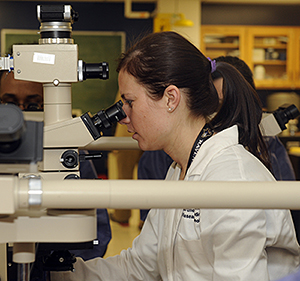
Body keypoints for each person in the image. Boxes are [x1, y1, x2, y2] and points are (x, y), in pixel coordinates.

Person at [51, 31, 300, 281]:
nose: (123, 116)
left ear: (171, 98)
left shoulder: (231, 181)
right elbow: (138, 266)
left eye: (130, 102)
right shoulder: (179, 170)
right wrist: (57, 276)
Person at [138, 55, 296, 222]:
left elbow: (287, 206)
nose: (226, 117)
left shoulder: (265, 147)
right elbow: (155, 224)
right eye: (217, 106)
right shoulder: (169, 154)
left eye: (232, 106)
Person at [0, 70, 112, 279]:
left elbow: (98, 230)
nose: (22, 113)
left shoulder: (67, 155)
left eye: (34, 105)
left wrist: (60, 271)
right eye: (10, 105)